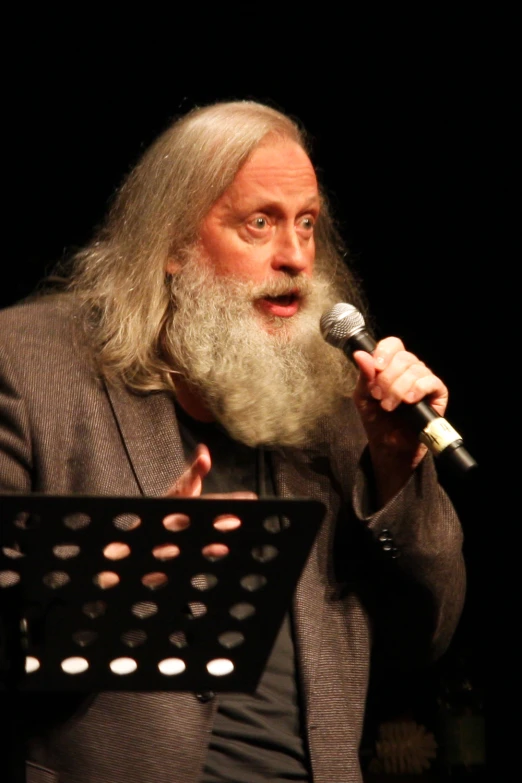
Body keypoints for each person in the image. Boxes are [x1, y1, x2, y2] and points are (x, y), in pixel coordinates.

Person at [0, 100, 465, 783]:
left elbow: (424, 638)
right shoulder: (26, 362)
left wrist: (398, 471)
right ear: (172, 244)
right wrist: (110, 582)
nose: (297, 257)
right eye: (260, 222)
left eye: (307, 223)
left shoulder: (334, 404)